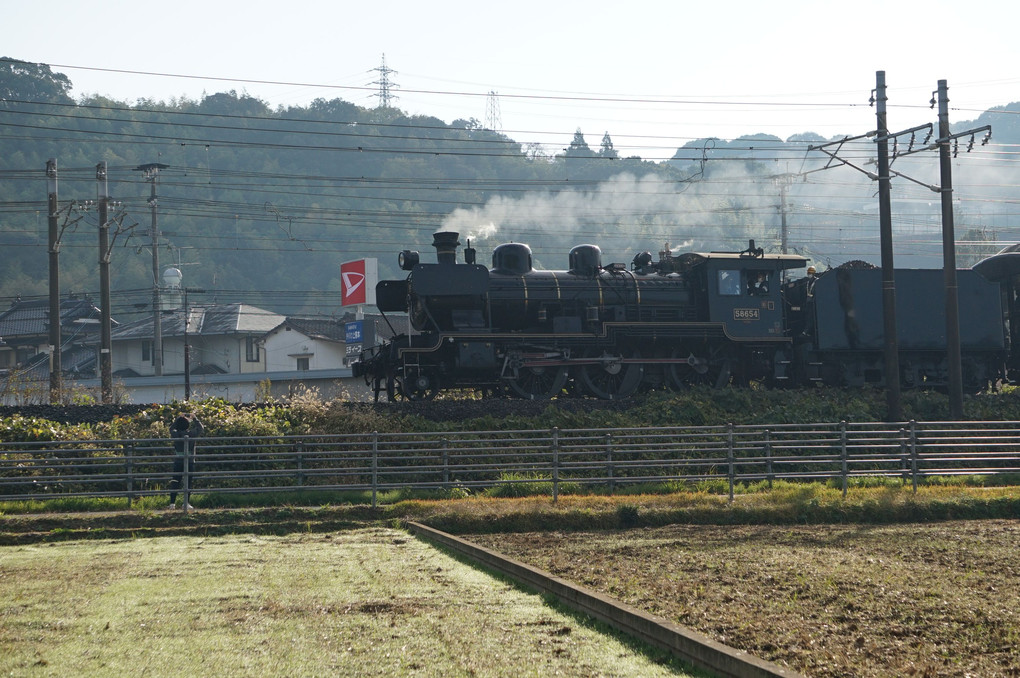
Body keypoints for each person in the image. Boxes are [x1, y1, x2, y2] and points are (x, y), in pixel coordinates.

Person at [169, 412, 204, 509]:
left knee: (175, 481)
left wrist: (178, 418)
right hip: (190, 461)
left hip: (178, 461)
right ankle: (186, 503)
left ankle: (172, 503)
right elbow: (200, 428)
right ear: (188, 425)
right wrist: (195, 418)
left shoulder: (176, 434)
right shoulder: (191, 434)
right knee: (188, 482)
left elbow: (171, 428)